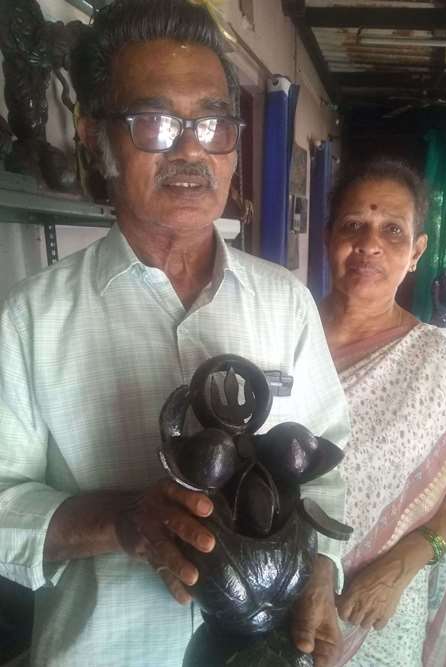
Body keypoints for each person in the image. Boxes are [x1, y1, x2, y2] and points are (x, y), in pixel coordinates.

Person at [0, 1, 350, 665]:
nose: (192, 148)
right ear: (92, 135)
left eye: (213, 121)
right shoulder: (28, 319)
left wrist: (321, 576)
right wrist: (121, 522)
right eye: (155, 121)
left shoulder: (285, 302)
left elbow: (327, 455)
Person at [319, 157, 446, 666]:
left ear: (416, 252)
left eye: (392, 230)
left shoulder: (436, 364)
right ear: (329, 236)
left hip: (377, 604)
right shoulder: (282, 333)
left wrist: (401, 565)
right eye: (354, 225)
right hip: (268, 589)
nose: (370, 243)